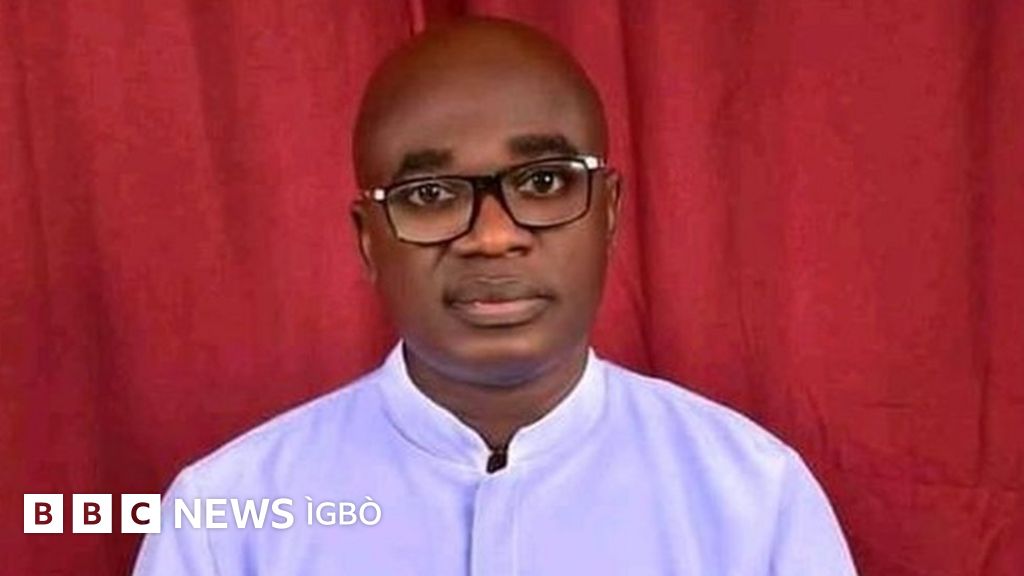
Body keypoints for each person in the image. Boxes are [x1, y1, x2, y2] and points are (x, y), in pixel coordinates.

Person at [133, 17, 858, 575]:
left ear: (608, 212)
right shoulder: (226, 519)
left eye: (543, 182)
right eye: (430, 194)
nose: (492, 236)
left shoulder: (754, 501)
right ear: (367, 239)